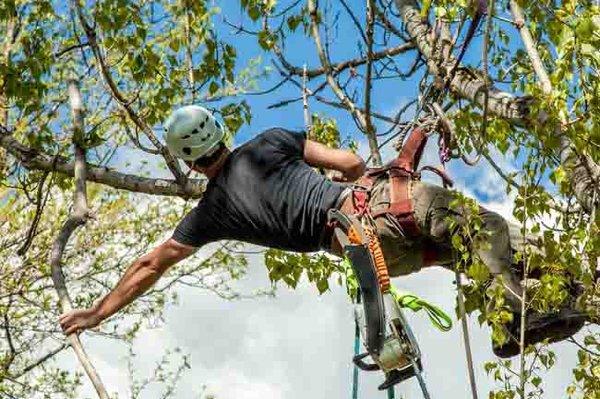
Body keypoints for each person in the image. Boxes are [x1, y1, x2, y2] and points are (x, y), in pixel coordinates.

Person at [59, 105, 589, 359]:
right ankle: (522, 311)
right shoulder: (268, 142)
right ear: (221, 133)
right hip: (375, 208)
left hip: (365, 253)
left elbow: (153, 262)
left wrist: (94, 313)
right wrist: (336, 176)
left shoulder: (212, 212)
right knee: (485, 227)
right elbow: (353, 162)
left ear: (192, 164)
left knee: (469, 253)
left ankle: (529, 314)